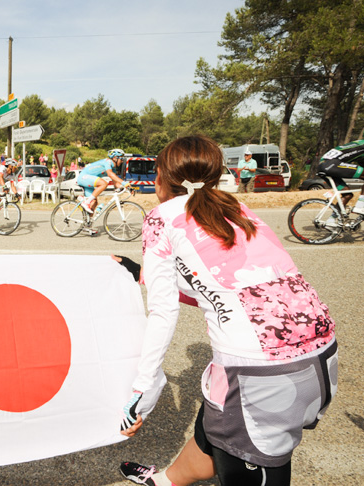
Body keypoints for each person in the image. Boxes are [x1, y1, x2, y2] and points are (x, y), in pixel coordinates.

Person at [117, 135, 337, 486]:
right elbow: (222, 286)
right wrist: (139, 273)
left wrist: (143, 391)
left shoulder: (161, 216)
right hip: (319, 351)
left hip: (260, 368)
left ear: (160, 178)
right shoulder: (233, 206)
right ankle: (163, 481)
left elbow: (163, 312)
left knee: (253, 463)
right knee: (214, 428)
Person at [76, 148, 129, 214]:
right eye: (121, 159)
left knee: (94, 203)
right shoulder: (107, 162)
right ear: (115, 158)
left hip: (88, 180)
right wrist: (124, 182)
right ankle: (86, 202)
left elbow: (116, 184)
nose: (122, 161)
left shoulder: (113, 169)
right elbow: (110, 174)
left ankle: (87, 222)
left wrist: (127, 187)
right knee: (103, 183)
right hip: (83, 177)